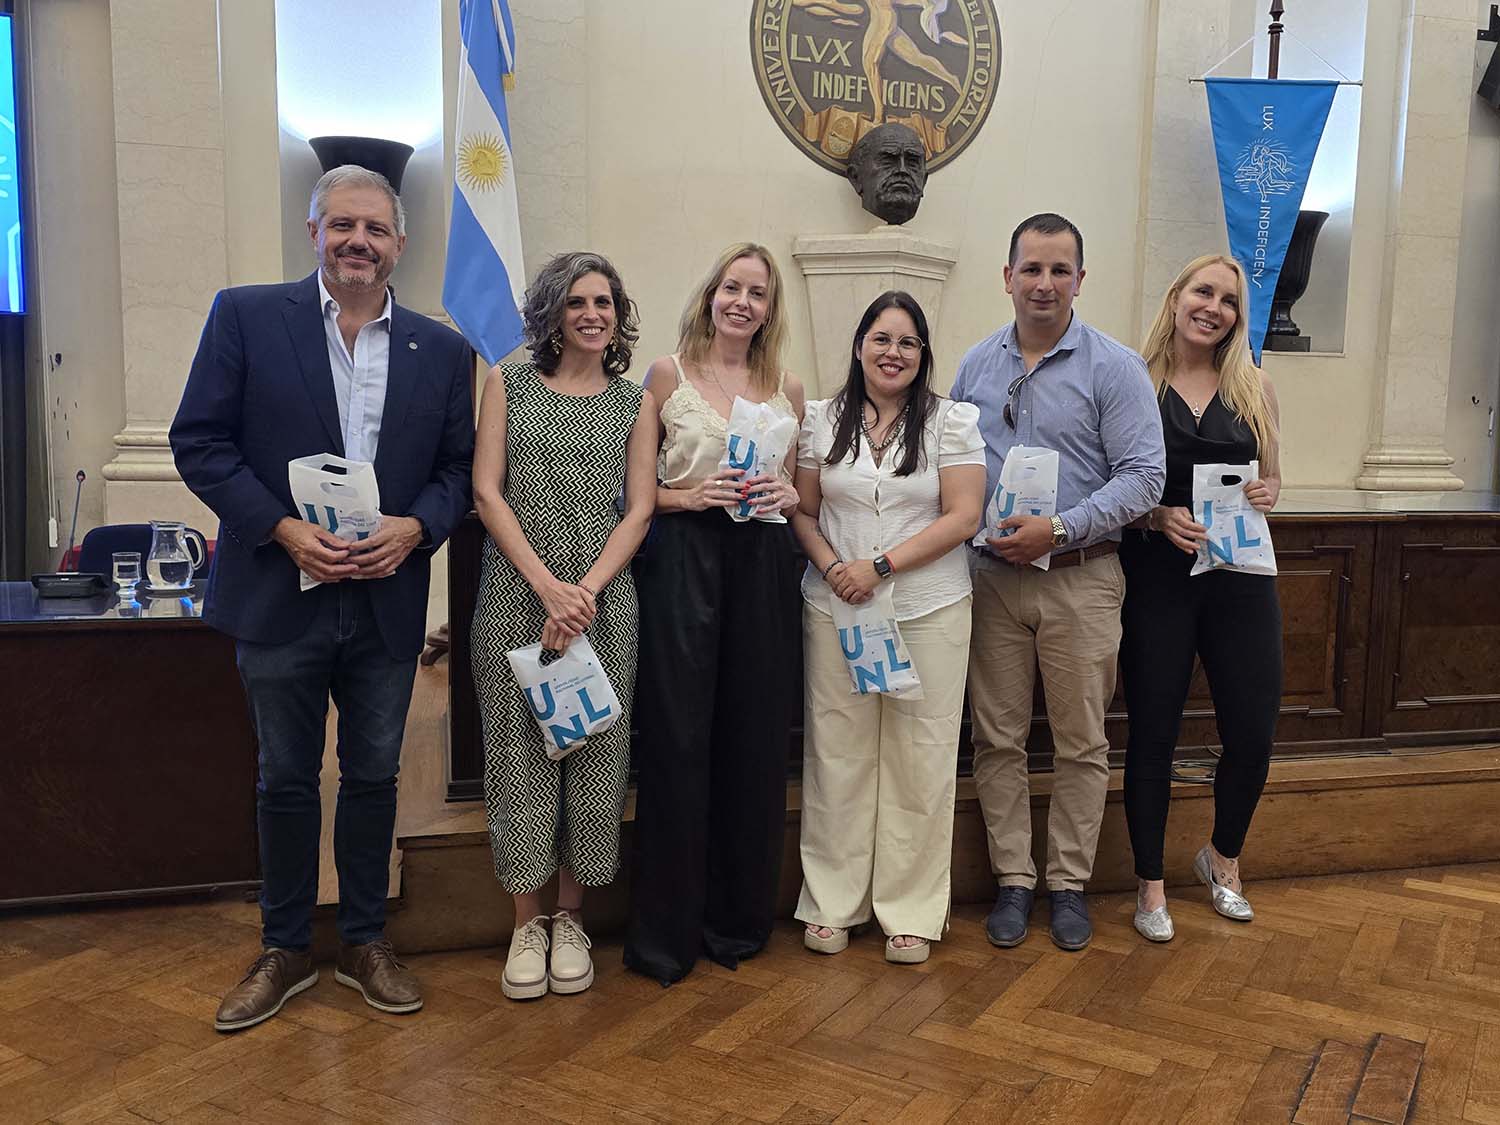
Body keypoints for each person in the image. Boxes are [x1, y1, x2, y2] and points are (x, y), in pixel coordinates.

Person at [170, 165, 475, 1031]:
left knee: (374, 774)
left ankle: (366, 940)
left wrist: (416, 527)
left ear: (400, 244)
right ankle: (285, 947)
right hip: (280, 593)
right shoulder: (245, 317)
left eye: (375, 229)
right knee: (285, 778)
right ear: (314, 232)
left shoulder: (440, 350)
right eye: (343, 224)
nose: (358, 242)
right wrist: (281, 528)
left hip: (384, 598)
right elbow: (200, 442)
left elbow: (458, 469)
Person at [952, 212, 1165, 952]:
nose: (1044, 283)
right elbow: (955, 466)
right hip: (990, 579)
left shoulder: (1115, 367)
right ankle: (1014, 879)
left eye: (1059, 270)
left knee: (1080, 741)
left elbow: (1145, 478)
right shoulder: (976, 366)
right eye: (1032, 269)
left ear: (1080, 280)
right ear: (1007, 277)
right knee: (997, 738)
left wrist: (1062, 528)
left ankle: (1069, 884)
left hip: (1082, 576)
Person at [469, 252, 656, 1000]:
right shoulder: (507, 382)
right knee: (518, 759)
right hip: (516, 597)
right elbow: (487, 492)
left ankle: (572, 918)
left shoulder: (635, 402)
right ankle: (527, 923)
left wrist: (583, 592)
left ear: (618, 314)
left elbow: (640, 509)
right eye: (577, 301)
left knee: (595, 757)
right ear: (552, 311)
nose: (592, 314)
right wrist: (550, 589)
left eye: (604, 302)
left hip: (602, 603)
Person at [624, 242, 805, 985]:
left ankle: (736, 921)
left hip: (763, 562)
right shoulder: (666, 374)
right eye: (733, 287)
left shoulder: (788, 386)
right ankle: (667, 932)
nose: (742, 302)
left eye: (757, 293)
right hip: (685, 557)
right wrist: (690, 496)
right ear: (711, 295)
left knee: (752, 739)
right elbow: (637, 495)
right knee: (678, 737)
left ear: (769, 310)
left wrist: (788, 493)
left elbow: (798, 492)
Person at [792, 291, 985, 964]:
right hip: (836, 609)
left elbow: (963, 515)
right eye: (881, 338)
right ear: (858, 346)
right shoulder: (820, 420)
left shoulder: (952, 421)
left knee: (920, 756)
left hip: (928, 609)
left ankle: (911, 910)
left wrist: (879, 567)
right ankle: (831, 901)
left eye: (907, 342)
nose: (893, 352)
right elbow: (803, 511)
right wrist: (835, 570)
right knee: (837, 753)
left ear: (923, 355)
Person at [1121, 254, 1283, 942]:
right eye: (1203, 291)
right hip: (1157, 574)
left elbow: (1274, 479)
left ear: (1238, 317)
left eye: (1228, 300)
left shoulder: (1255, 386)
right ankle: (1150, 884)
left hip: (1240, 577)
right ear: (1176, 297)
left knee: (1253, 730)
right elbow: (1109, 486)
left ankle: (1223, 858)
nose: (1213, 307)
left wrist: (1269, 492)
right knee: (1153, 730)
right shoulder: (1134, 380)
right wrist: (1156, 515)